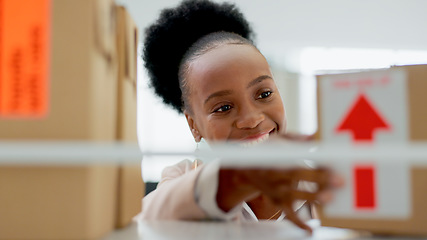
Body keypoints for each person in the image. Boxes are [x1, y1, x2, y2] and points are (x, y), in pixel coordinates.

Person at [136, 0, 342, 233]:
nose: (252, 119)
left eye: (264, 94)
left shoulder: (323, 185)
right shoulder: (181, 176)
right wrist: (228, 185)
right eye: (223, 108)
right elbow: (143, 222)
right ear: (194, 126)